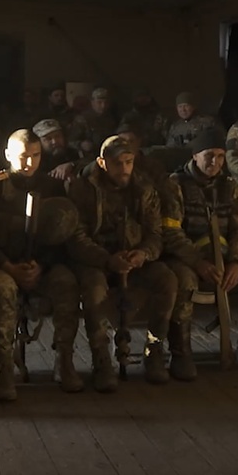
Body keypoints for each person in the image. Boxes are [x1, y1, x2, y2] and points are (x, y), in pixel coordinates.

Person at [65, 135, 177, 390]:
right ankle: (101, 358)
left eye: (129, 162)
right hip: (96, 260)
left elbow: (155, 233)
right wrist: (106, 259)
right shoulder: (83, 189)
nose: (125, 168)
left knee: (166, 279)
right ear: (102, 163)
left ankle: (155, 349)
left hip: (134, 259)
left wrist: (143, 254)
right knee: (93, 289)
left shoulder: (143, 188)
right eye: (118, 163)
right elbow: (76, 236)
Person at [0, 129, 84, 395]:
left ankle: (64, 361)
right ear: (8, 155)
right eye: (23, 156)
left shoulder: (53, 188)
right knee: (2, 289)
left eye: (36, 156)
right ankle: (4, 368)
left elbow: (63, 236)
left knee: (66, 282)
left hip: (41, 263)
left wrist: (42, 266)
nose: (29, 163)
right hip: (2, 264)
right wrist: (8, 267)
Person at [162, 129, 238, 374]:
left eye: (221, 157)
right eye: (210, 155)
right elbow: (170, 231)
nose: (216, 162)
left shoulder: (230, 187)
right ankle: (181, 353)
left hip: (225, 256)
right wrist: (197, 262)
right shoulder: (175, 186)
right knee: (184, 281)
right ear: (195, 156)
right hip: (186, 258)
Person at [69, 86, 118, 159]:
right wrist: (81, 144)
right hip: (89, 157)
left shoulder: (112, 118)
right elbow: (70, 141)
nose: (103, 106)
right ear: (92, 102)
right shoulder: (82, 119)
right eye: (99, 102)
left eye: (106, 102)